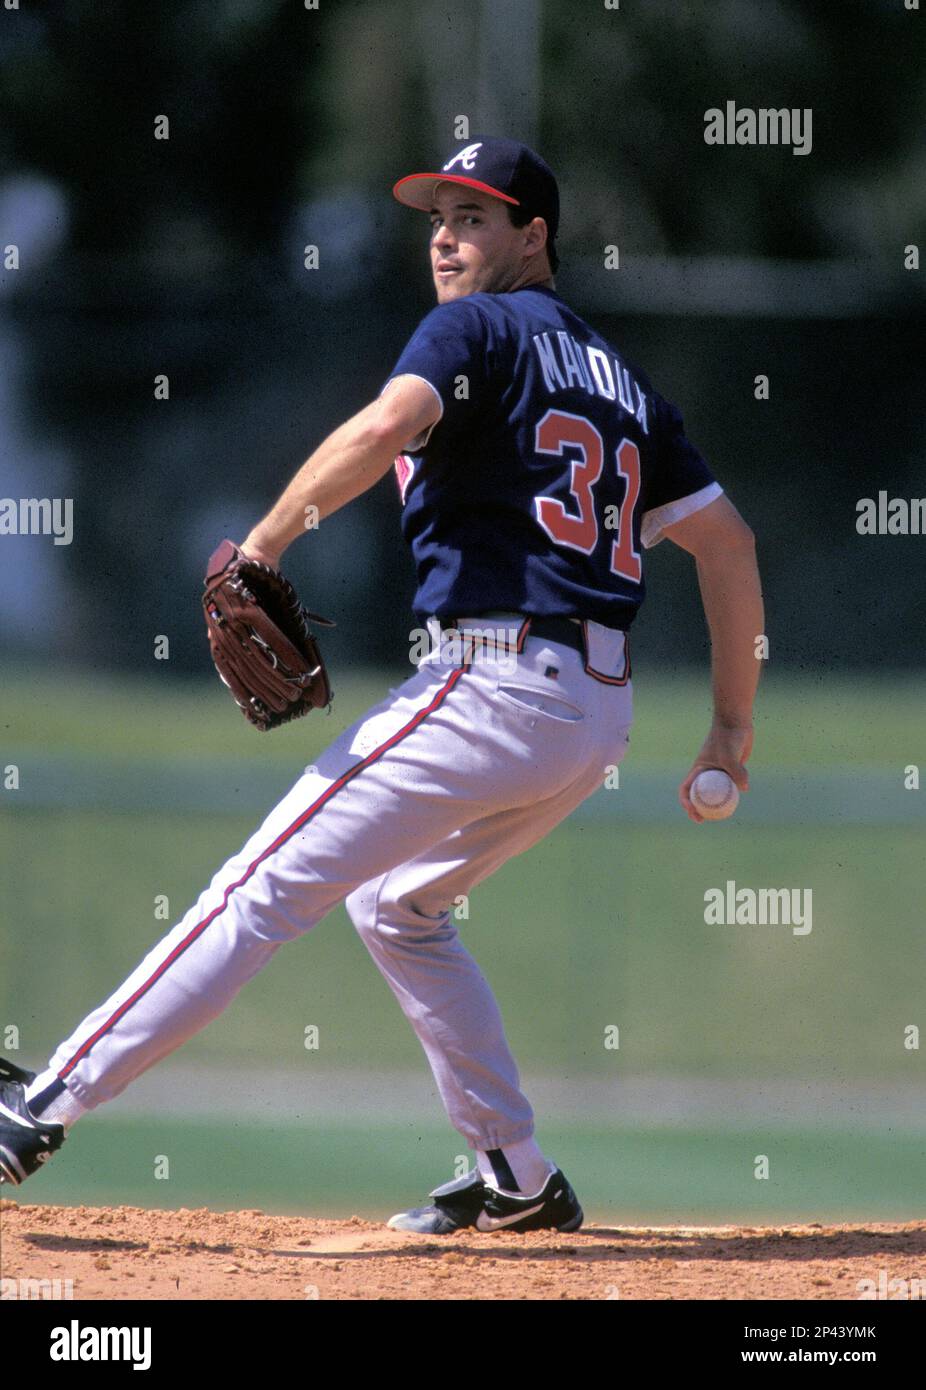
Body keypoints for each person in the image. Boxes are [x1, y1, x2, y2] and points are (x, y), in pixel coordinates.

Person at [0, 137, 763, 1235]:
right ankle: (516, 1173)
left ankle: (37, 1105)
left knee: (258, 885)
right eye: (437, 217)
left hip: (493, 683)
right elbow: (727, 544)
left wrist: (259, 546)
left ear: (532, 235)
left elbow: (385, 425)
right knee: (396, 906)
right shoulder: (624, 382)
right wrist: (729, 733)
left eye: (475, 217)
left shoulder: (472, 328)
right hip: (594, 714)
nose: (447, 237)